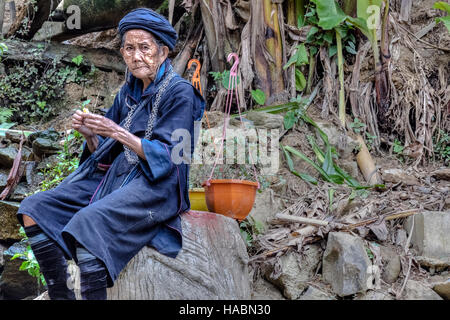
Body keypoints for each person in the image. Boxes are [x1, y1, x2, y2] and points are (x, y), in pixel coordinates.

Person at [16, 8, 205, 300]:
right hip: (114, 177)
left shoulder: (180, 93)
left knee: (88, 223)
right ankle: (60, 293)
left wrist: (115, 131)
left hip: (157, 186)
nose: (136, 56)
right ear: (122, 52)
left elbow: (172, 158)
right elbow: (103, 156)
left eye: (145, 48)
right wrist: (93, 135)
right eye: (129, 48)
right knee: (33, 209)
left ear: (163, 51)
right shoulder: (126, 93)